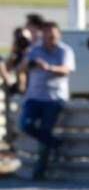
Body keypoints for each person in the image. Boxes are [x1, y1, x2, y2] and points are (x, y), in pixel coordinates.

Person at [17, 21, 75, 179]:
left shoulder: (65, 50)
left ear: (59, 35)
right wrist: (28, 64)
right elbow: (20, 69)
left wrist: (48, 68)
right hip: (34, 97)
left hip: (54, 98)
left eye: (53, 36)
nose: (50, 38)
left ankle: (39, 172)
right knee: (25, 125)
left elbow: (66, 70)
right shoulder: (34, 50)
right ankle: (56, 144)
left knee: (45, 132)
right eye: (48, 35)